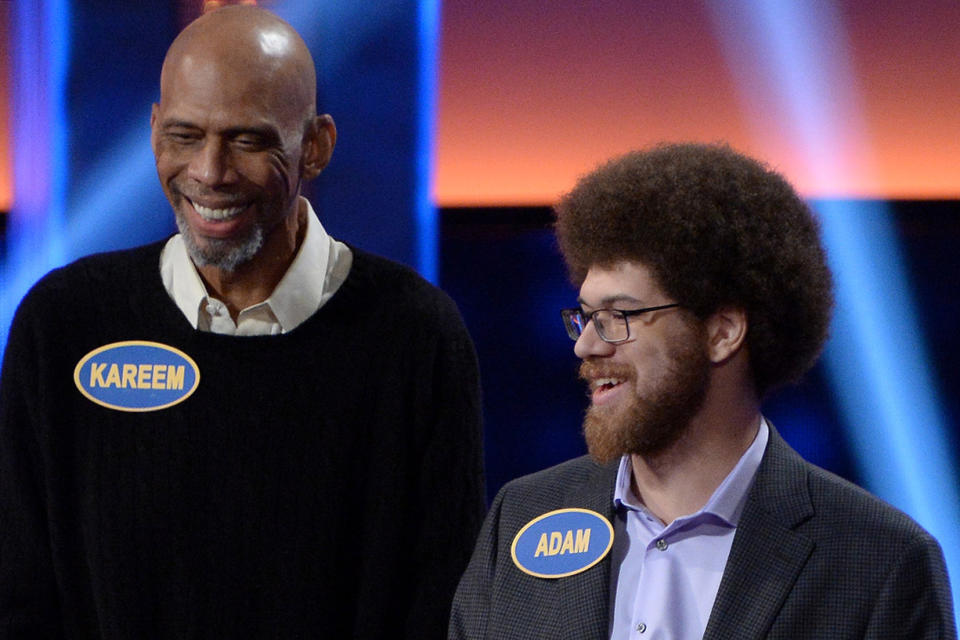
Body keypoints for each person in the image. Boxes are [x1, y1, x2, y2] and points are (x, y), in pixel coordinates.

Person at [0, 6, 484, 638]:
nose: (209, 172)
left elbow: (445, 603)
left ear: (316, 146)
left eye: (247, 140)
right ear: (152, 133)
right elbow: (21, 597)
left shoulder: (417, 335)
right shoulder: (64, 323)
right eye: (184, 135)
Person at [449, 143, 956, 639]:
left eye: (618, 317)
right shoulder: (523, 518)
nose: (585, 346)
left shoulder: (879, 561)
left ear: (722, 332)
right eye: (584, 316)